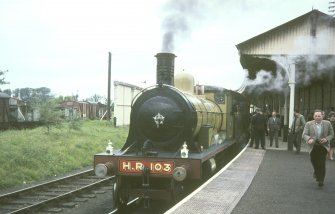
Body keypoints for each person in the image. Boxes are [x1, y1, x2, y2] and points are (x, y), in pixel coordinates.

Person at [302, 109, 334, 187]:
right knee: (314, 161)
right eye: (316, 116)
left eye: (319, 116)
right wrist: (309, 139)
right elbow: (304, 134)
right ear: (313, 116)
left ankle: (321, 180)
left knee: (322, 163)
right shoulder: (308, 124)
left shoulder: (328, 123)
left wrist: (326, 139)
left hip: (323, 146)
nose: (317, 117)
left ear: (322, 116)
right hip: (313, 146)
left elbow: (332, 134)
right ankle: (316, 172)